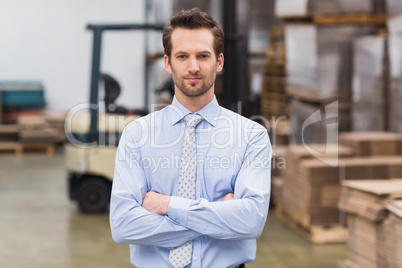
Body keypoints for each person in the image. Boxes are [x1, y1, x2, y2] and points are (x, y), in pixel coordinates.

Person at [110, 8, 272, 268]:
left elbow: (251, 221)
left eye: (203, 56)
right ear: (167, 62)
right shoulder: (137, 135)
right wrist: (217, 217)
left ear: (219, 62)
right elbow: (122, 225)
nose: (193, 67)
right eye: (182, 56)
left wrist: (166, 205)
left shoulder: (251, 136)